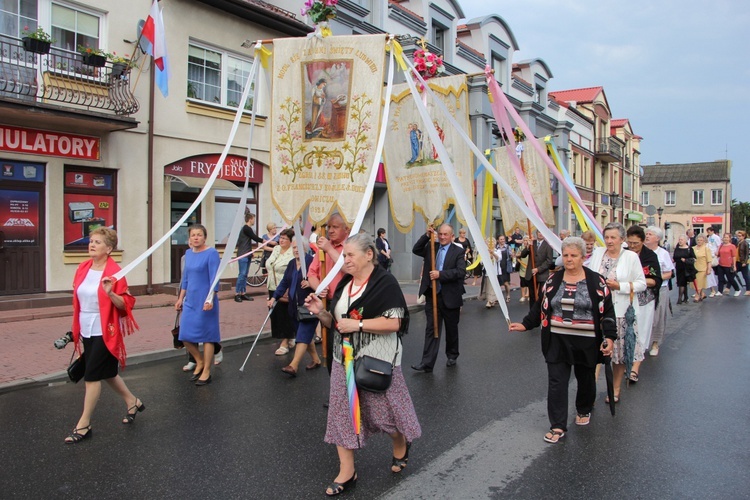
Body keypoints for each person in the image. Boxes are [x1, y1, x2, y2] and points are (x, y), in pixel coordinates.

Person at [304, 233, 421, 495]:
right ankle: (348, 472)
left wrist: (357, 324)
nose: (344, 260)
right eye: (344, 255)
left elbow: (396, 323)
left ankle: (400, 441)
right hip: (342, 360)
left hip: (375, 360)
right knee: (341, 416)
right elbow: (337, 324)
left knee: (384, 415)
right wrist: (320, 312)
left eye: (349, 255)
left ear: (369, 254)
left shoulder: (385, 283)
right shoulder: (345, 283)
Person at [510, 237, 616, 443]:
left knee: (586, 379)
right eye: (565, 255)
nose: (568, 259)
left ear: (583, 257)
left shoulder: (597, 281)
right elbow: (541, 305)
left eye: (573, 255)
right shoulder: (553, 280)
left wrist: (610, 338)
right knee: (557, 382)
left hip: (586, 341)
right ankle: (557, 425)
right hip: (557, 341)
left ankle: (584, 409)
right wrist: (525, 324)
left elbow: (608, 312)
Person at [65, 228, 141, 443]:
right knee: (107, 372)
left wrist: (110, 293)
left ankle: (84, 424)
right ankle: (132, 401)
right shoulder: (83, 268)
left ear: (108, 249)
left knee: (92, 376)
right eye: (91, 241)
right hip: (86, 327)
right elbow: (79, 299)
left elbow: (125, 306)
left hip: (104, 329)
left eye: (97, 242)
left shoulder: (115, 272)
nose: (92, 244)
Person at [586, 222, 646, 403]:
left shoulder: (630, 257)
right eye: (607, 237)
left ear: (622, 239)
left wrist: (620, 286)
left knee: (618, 355)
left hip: (619, 311)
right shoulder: (598, 253)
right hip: (597, 310)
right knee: (595, 350)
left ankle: (615, 388)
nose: (609, 241)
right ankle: (591, 387)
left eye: (613, 238)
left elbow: (641, 283)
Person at [411, 223, 466, 372]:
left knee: (451, 329)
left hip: (450, 296)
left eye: (445, 234)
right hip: (433, 295)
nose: (442, 237)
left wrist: (440, 275)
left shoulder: (458, 251)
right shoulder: (431, 247)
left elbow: (461, 272)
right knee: (431, 329)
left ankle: (452, 354)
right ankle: (427, 363)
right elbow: (415, 249)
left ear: (451, 236)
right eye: (440, 234)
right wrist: (426, 236)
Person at [269, 237, 322, 376]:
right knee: (304, 336)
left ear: (305, 248)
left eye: (298, 247)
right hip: (294, 307)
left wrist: (312, 284)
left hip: (309, 306)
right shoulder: (292, 263)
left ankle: (294, 365)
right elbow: (284, 283)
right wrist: (274, 297)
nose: (296, 250)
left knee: (302, 335)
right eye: (293, 248)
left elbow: (323, 281)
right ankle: (316, 360)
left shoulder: (312, 262)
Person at [175, 224, 220, 386]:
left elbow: (215, 278)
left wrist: (210, 299)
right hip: (190, 300)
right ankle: (199, 361)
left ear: (204, 237)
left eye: (199, 235)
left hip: (206, 299)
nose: (195, 238)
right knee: (185, 335)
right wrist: (181, 298)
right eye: (193, 235)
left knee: (208, 336)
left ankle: (206, 370)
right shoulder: (188, 253)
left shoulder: (212, 253)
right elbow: (185, 278)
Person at [308, 213, 351, 373]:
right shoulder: (323, 249)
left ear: (346, 229)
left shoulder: (350, 246)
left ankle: (350, 391)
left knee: (346, 350)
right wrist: (319, 287)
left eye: (335, 227)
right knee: (331, 350)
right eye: (328, 227)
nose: (330, 231)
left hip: (348, 304)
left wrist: (329, 248)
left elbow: (348, 269)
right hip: (329, 302)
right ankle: (336, 388)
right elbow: (311, 274)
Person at [624, 226, 661, 383]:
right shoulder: (623, 253)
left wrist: (637, 282)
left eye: (636, 243)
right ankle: (625, 361)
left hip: (644, 299)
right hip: (625, 297)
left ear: (642, 241)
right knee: (626, 331)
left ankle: (635, 368)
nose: (632, 246)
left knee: (641, 331)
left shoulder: (649, 256)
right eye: (630, 243)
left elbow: (655, 280)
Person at [265, 228, 296, 355]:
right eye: (281, 238)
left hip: (285, 287)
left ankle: (285, 341)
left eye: (285, 238)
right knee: (275, 314)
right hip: (272, 285)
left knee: (285, 315)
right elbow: (270, 263)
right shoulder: (277, 249)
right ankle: (289, 336)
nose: (281, 240)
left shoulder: (292, 252)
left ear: (290, 241)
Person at [645, 226, 674, 357]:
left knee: (658, 316)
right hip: (644, 288)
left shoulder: (663, 253)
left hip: (660, 288)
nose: (647, 236)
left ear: (657, 238)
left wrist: (655, 278)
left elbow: (669, 273)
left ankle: (655, 343)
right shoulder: (641, 252)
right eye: (646, 234)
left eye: (650, 234)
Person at [518, 230, 555, 310]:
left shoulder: (548, 245)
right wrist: (527, 247)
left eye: (542, 232)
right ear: (537, 233)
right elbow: (523, 255)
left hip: (542, 274)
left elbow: (549, 261)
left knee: (541, 294)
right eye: (539, 232)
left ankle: (541, 311)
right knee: (532, 295)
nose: (541, 234)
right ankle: (532, 313)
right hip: (531, 274)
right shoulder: (532, 243)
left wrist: (538, 269)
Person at [235, 212, 264, 303]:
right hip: (243, 254)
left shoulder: (247, 229)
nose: (254, 221)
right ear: (250, 219)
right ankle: (237, 294)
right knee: (242, 274)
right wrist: (265, 241)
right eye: (254, 219)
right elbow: (254, 238)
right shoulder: (246, 228)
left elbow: (247, 242)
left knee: (245, 275)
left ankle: (243, 293)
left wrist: (250, 252)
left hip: (247, 254)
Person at [484, 235, 512, 307]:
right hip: (493, 270)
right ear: (498, 240)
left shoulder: (506, 248)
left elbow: (500, 258)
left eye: (503, 239)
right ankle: (492, 299)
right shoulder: (496, 248)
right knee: (494, 285)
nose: (502, 240)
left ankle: (507, 295)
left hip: (504, 267)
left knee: (505, 283)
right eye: (501, 239)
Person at [673, 234, 696, 305]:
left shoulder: (689, 249)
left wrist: (685, 260)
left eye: (681, 240)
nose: (680, 241)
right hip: (679, 267)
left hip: (687, 267)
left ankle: (679, 298)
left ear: (685, 241)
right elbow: (675, 257)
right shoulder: (677, 248)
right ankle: (685, 297)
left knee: (682, 283)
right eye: (679, 239)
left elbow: (694, 258)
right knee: (682, 282)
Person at [716, 232, 740, 297]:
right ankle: (720, 291)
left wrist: (734, 265)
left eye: (727, 237)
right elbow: (718, 254)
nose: (725, 239)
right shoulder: (721, 245)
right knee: (720, 278)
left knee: (730, 279)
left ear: (729, 238)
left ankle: (737, 289)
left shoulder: (732, 246)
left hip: (729, 265)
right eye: (724, 237)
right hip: (721, 264)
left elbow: (734, 256)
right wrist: (718, 248)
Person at [692, 234, 713, 302]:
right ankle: (702, 294)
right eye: (698, 240)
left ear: (704, 241)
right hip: (694, 268)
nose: (699, 241)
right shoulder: (693, 248)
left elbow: (709, 260)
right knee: (695, 283)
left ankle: (697, 295)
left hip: (702, 268)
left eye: (701, 240)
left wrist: (709, 269)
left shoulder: (706, 249)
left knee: (699, 283)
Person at [706, 226, 721, 297]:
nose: (708, 233)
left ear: (712, 231)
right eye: (707, 232)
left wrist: (717, 252)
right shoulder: (708, 238)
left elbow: (719, 245)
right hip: (709, 255)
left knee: (710, 271)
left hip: (713, 255)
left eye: (709, 231)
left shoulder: (716, 237)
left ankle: (713, 289)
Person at [735, 230, 750, 295]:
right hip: (737, 261)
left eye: (740, 236)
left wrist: (745, 262)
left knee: (745, 276)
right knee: (732, 274)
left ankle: (748, 290)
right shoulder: (738, 242)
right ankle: (727, 288)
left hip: (743, 262)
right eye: (738, 236)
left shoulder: (745, 243)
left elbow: (747, 254)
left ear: (743, 236)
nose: (738, 237)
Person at [517, 235, 531, 302]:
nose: (526, 242)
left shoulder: (531, 247)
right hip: (522, 267)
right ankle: (523, 296)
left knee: (529, 282)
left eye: (527, 240)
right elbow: (517, 255)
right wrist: (519, 254)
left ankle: (528, 295)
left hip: (529, 267)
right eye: (524, 240)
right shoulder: (520, 247)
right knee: (522, 283)